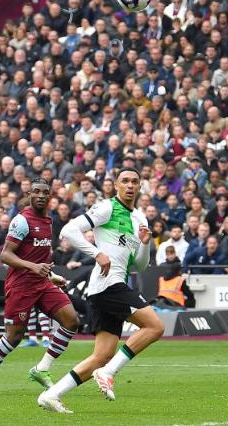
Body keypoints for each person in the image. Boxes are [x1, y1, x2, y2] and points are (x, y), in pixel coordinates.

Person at [40, 167, 161, 413]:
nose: (130, 185)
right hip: (108, 285)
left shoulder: (140, 220)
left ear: (140, 187)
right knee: (155, 326)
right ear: (116, 185)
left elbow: (140, 265)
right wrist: (97, 253)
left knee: (102, 355)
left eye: (134, 182)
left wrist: (146, 245)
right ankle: (107, 373)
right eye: (125, 181)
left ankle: (51, 395)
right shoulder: (107, 207)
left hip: (112, 286)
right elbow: (68, 231)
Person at [0, 178, 80, 396]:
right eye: (36, 191)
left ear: (49, 196)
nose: (40, 195)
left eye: (44, 192)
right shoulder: (22, 221)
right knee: (14, 336)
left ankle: (42, 369)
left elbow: (40, 256)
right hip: (21, 286)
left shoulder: (48, 220)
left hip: (42, 283)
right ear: (29, 195)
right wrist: (33, 267)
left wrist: (51, 275)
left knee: (71, 321)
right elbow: (6, 255)